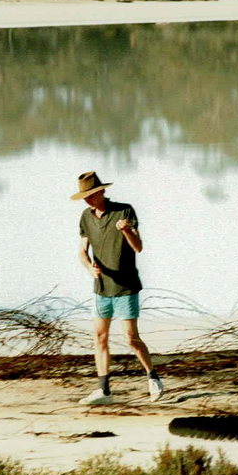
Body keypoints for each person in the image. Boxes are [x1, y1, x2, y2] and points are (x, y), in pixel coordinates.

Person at [71, 171, 164, 405]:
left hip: (126, 287)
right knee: (99, 337)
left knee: (131, 338)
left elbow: (138, 247)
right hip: (101, 287)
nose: (87, 200)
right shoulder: (85, 217)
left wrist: (126, 231)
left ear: (102, 192)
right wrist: (90, 269)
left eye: (90, 195)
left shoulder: (125, 211)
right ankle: (104, 391)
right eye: (84, 196)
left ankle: (153, 378)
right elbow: (82, 251)